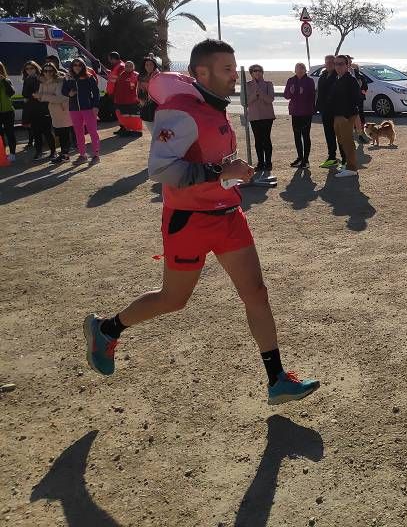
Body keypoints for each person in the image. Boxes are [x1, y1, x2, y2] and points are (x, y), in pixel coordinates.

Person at [82, 39, 319, 405]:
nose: (234, 77)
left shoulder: (214, 107)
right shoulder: (180, 111)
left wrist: (230, 175)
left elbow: (212, 164)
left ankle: (277, 380)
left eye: (233, 68)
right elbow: (162, 170)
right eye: (227, 70)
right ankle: (107, 329)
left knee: (256, 292)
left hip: (228, 215)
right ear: (201, 73)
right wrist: (221, 170)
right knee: (174, 299)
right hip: (188, 222)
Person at [63, 57, 102, 163]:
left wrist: (95, 106)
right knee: (78, 133)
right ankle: (82, 155)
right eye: (75, 65)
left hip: (88, 108)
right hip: (74, 109)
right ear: (72, 66)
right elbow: (63, 91)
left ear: (83, 66)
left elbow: (96, 93)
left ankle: (96, 155)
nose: (77, 67)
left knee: (92, 132)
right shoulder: (68, 77)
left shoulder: (89, 77)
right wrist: (69, 93)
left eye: (79, 65)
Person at [329, 55, 362, 179]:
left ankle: (352, 168)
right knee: (342, 141)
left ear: (347, 65)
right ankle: (348, 164)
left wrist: (348, 115)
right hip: (338, 115)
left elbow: (357, 98)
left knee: (347, 142)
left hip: (346, 116)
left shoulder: (350, 80)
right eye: (336, 64)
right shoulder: (338, 78)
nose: (338, 66)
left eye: (341, 64)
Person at [22, 61, 57, 162]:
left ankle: (53, 151)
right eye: (27, 69)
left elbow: (39, 94)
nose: (29, 70)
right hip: (33, 109)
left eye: (31, 68)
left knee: (47, 131)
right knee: (36, 132)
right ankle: (38, 151)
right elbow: (25, 94)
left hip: (43, 108)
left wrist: (32, 96)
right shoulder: (27, 79)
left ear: (36, 68)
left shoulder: (40, 78)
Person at [38, 61, 72, 161]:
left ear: (54, 71)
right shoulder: (43, 82)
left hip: (63, 109)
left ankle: (65, 155)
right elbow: (40, 96)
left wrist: (44, 97)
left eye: (50, 71)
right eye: (46, 71)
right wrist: (43, 96)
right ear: (43, 72)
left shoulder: (59, 81)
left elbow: (60, 98)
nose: (48, 73)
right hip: (53, 111)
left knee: (64, 133)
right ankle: (63, 154)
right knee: (59, 133)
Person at [283, 62, 316, 168]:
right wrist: (291, 92)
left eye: (302, 68)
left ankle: (306, 160)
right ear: (295, 70)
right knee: (297, 136)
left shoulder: (309, 81)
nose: (300, 70)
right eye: (298, 68)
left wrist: (304, 92)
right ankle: (299, 157)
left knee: (305, 135)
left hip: (306, 112)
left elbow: (312, 96)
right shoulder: (291, 80)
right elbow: (286, 95)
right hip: (295, 112)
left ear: (305, 70)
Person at [245, 64, 276, 172]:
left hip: (267, 116)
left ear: (262, 72)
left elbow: (270, 99)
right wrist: (255, 94)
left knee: (266, 139)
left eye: (259, 71)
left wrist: (260, 94)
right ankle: (260, 163)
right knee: (258, 140)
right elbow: (246, 102)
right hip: (254, 117)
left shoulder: (268, 84)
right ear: (251, 73)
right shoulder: (247, 85)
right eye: (254, 71)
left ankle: (268, 163)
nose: (257, 72)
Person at [316, 54, 339, 168]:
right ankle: (332, 157)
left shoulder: (338, 76)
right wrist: (317, 107)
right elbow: (319, 93)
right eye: (327, 62)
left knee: (340, 136)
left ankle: (345, 160)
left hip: (336, 111)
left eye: (331, 62)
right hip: (325, 111)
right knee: (329, 135)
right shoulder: (323, 75)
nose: (329, 64)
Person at [113, 60, 142, 136]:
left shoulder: (136, 75)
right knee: (125, 117)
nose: (128, 67)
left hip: (133, 101)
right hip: (122, 101)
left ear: (133, 67)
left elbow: (140, 88)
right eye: (126, 66)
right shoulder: (121, 75)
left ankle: (137, 131)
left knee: (134, 117)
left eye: (130, 66)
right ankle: (127, 130)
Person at [0, 62, 19, 161]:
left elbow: (11, 93)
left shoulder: (7, 81)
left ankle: (12, 154)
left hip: (8, 111)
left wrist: (3, 81)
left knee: (10, 133)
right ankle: (2, 153)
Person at [138, 55, 161, 132]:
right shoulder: (141, 76)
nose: (149, 66)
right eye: (147, 65)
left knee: (157, 127)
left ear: (154, 65)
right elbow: (138, 89)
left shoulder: (158, 76)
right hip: (144, 104)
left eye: (151, 64)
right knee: (149, 126)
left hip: (155, 104)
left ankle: (158, 142)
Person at [106, 51, 126, 133]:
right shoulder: (117, 66)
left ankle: (124, 127)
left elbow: (121, 81)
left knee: (120, 111)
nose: (109, 61)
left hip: (118, 93)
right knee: (118, 112)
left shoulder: (120, 67)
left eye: (109, 59)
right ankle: (123, 127)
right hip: (115, 93)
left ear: (113, 58)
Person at [351, 62, 370, 144]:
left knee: (360, 114)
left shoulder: (360, 77)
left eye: (355, 68)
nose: (354, 70)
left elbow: (365, 87)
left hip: (360, 98)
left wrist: (363, 91)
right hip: (352, 99)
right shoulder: (349, 77)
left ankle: (361, 130)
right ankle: (356, 131)